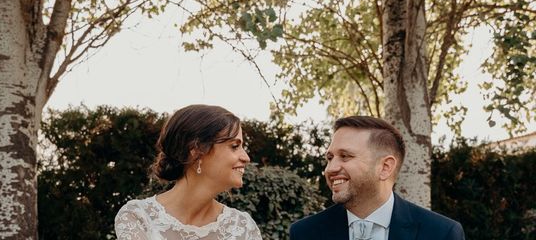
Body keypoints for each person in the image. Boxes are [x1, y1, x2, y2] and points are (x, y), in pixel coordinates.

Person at [290, 116, 465, 240]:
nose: (331, 168)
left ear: (385, 167)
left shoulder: (441, 234)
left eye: (345, 156)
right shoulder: (305, 233)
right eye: (329, 158)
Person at [114, 104, 262, 239]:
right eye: (235, 146)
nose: (246, 158)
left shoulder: (243, 228)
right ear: (196, 150)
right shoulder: (138, 217)